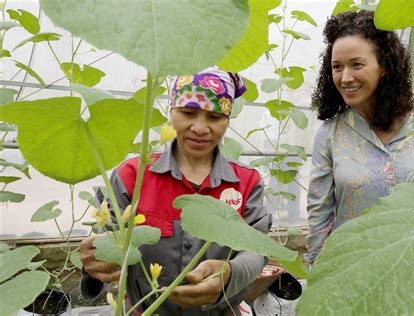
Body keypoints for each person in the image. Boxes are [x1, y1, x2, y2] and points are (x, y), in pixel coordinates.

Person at [80, 66, 272, 315]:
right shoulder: (132, 175)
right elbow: (105, 242)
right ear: (172, 111)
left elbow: (256, 249)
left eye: (215, 117)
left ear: (227, 120)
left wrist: (230, 273)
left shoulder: (245, 181)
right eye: (188, 113)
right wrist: (94, 263)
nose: (200, 128)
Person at [305, 10, 414, 263]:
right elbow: (319, 215)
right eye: (337, 67)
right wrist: (318, 273)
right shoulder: (330, 134)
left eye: (357, 64)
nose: (345, 77)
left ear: (384, 65)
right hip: (353, 266)